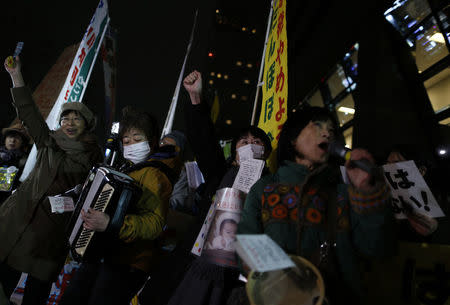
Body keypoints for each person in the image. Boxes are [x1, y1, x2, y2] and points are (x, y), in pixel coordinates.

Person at [238, 106, 397, 305]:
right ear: (293, 139)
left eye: (331, 131)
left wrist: (368, 191)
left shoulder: (345, 194)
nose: (326, 134)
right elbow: (247, 243)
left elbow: (378, 249)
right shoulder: (264, 188)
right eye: (318, 126)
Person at [0, 56, 103, 305]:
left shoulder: (93, 156)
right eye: (66, 118)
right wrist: (16, 76)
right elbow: (28, 112)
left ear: (87, 125)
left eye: (76, 119)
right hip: (18, 220)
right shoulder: (48, 141)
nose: (69, 123)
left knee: (36, 294)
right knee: (4, 282)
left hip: (52, 235)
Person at [165, 70, 272, 305]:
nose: (251, 145)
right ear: (234, 154)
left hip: (237, 274)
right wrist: (195, 98)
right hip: (196, 262)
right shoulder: (219, 173)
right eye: (244, 142)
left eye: (257, 142)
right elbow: (203, 139)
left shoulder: (272, 187)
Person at [59, 106, 183, 305]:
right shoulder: (128, 168)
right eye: (126, 141)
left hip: (128, 262)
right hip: (105, 254)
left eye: (137, 139)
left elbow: (154, 224)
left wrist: (112, 224)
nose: (131, 145)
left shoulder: (154, 174)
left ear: (152, 142)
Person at [0, 122, 30, 203]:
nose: (12, 140)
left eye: (17, 138)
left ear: (22, 143)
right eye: (10, 137)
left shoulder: (25, 161)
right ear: (5, 139)